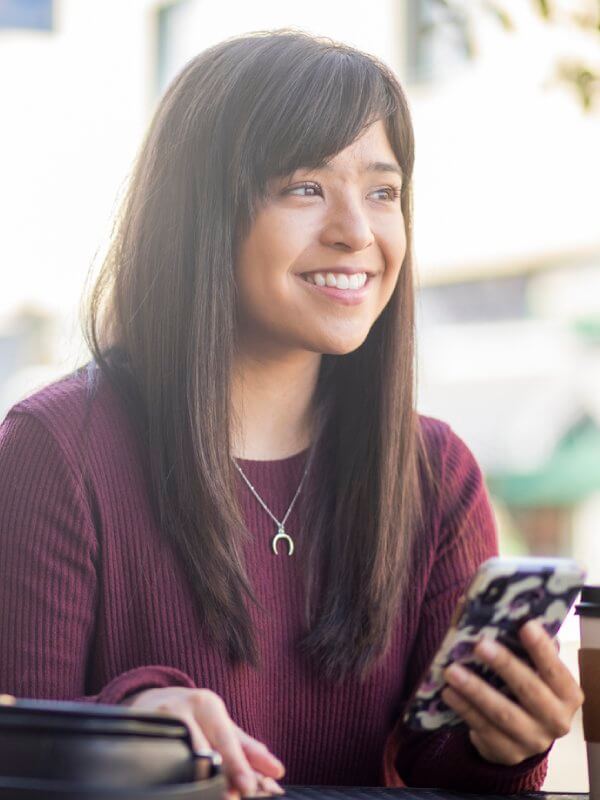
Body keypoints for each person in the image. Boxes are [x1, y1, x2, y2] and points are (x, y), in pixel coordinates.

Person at [0, 29, 583, 799]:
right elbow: (14, 759)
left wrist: (503, 746)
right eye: (305, 187)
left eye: (382, 191)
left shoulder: (437, 476)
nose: (358, 232)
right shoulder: (55, 451)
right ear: (201, 216)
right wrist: (130, 723)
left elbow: (440, 774)